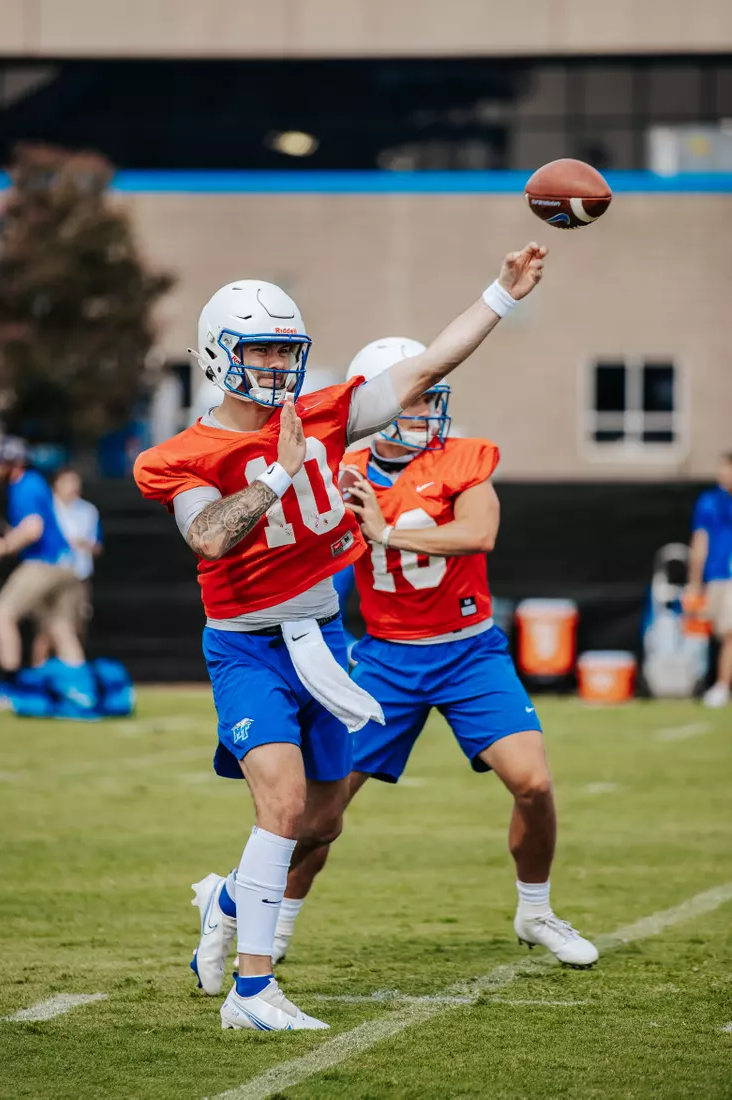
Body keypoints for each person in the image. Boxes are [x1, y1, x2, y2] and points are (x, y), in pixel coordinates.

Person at [133, 243, 547, 1031]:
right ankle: (251, 994)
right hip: (247, 645)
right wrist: (278, 475)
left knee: (321, 821)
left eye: (286, 350)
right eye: (259, 349)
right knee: (282, 806)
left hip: (321, 640)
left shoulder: (319, 414)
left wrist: (501, 291)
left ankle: (225, 898)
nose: (275, 366)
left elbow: (426, 367)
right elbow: (211, 539)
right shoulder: (178, 456)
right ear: (220, 353)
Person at [220, 336, 599, 974]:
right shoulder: (341, 469)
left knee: (533, 783)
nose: (427, 412)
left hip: (468, 652)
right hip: (387, 659)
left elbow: (483, 532)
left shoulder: (462, 460)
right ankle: (275, 922)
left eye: (430, 399)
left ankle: (535, 910)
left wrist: (386, 530)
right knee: (320, 816)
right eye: (415, 399)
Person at [0, 439, 86, 708]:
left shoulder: (23, 485)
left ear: (12, 464)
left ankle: (10, 686)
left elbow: (33, 528)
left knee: (0, 615)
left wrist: (3, 546)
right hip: (66, 564)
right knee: (61, 629)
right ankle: (83, 693)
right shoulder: (36, 482)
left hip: (44, 563)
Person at [32, 469, 103, 667]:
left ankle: (69, 679)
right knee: (47, 631)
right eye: (67, 482)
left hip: (78, 578)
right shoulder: (46, 507)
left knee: (76, 629)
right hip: (49, 575)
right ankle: (40, 677)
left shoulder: (88, 511)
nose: (73, 487)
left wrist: (83, 544)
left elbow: (97, 545)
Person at [687, 452, 732, 708]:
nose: (722, 474)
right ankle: (708, 682)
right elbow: (700, 541)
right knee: (712, 632)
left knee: (729, 633)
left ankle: (722, 686)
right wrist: (695, 581)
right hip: (715, 576)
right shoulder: (709, 501)